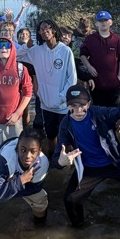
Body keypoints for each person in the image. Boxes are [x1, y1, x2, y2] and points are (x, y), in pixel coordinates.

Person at [52, 85, 120, 227]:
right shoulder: (65, 124)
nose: (78, 111)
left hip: (116, 161)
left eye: (82, 105)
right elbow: (56, 159)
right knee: (70, 199)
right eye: (73, 106)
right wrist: (62, 161)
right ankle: (79, 229)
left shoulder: (99, 113)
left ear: (88, 104)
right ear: (67, 106)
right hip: (90, 168)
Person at [16, 18, 76, 153]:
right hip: (46, 104)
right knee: (50, 136)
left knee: (67, 137)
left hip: (62, 105)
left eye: (47, 28)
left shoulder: (65, 51)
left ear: (54, 30)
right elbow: (16, 57)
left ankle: (69, 161)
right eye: (41, 29)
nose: (44, 31)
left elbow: (72, 79)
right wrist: (26, 47)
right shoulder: (36, 50)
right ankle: (53, 159)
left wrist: (62, 97)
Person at [79, 9, 120, 107]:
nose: (103, 23)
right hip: (96, 85)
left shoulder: (118, 40)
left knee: (113, 112)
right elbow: (82, 55)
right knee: (99, 111)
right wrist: (89, 67)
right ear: (96, 23)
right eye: (100, 21)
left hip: (114, 85)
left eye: (105, 20)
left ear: (110, 22)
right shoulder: (90, 39)